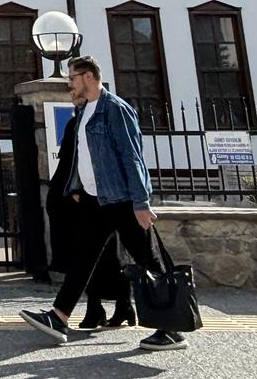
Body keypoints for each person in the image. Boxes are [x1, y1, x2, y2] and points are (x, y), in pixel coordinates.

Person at [21, 56, 187, 352]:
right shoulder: (84, 112)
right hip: (94, 200)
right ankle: (59, 317)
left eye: (72, 78)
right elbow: (80, 157)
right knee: (82, 258)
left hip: (122, 200)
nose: (69, 83)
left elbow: (131, 157)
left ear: (87, 76)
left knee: (150, 261)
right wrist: (76, 187)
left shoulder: (115, 109)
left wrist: (141, 201)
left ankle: (172, 327)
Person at [46, 91, 135, 330]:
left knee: (101, 256)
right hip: (75, 198)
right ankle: (91, 307)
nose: (73, 96)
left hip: (94, 199)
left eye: (78, 92)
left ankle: (125, 303)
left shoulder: (100, 123)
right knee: (85, 257)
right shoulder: (77, 123)